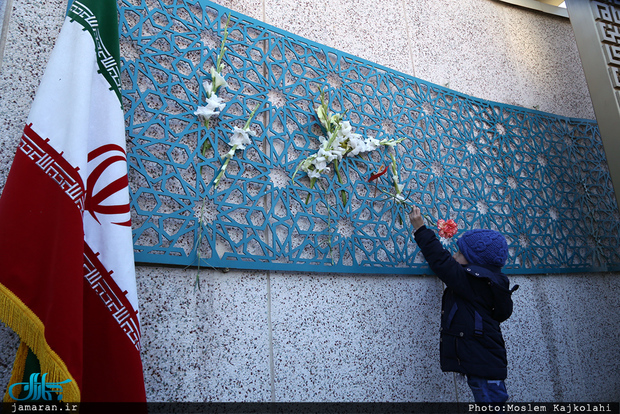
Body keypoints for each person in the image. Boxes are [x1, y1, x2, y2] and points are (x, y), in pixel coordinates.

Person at [409, 206, 518, 403]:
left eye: (459, 253)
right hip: (487, 363)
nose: (454, 256)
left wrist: (420, 228)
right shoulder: (491, 283)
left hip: (483, 364)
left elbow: (441, 262)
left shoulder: (474, 283)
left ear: (474, 263)